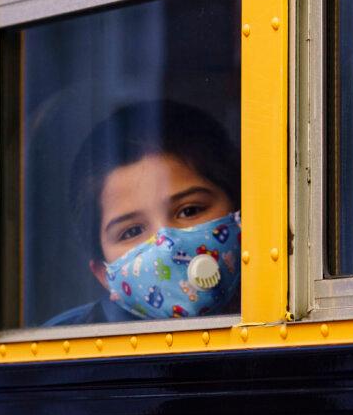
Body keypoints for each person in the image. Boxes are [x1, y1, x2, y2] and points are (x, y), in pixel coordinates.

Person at [46, 100, 241, 325]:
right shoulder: (71, 346)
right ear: (103, 274)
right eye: (132, 231)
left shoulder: (289, 302)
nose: (166, 244)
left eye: (189, 211)